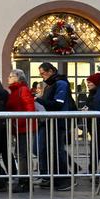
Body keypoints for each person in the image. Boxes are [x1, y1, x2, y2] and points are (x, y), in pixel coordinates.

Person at [35, 62, 74, 190]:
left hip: (58, 122)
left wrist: (38, 100)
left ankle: (64, 180)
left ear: (51, 71)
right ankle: (52, 177)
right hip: (49, 121)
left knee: (57, 150)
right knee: (45, 150)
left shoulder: (60, 83)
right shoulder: (50, 85)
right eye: (40, 74)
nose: (42, 76)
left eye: (44, 73)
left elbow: (57, 104)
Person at [6, 69, 36, 192]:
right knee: (20, 154)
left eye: (11, 76)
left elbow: (30, 108)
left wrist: (21, 122)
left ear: (18, 78)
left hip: (25, 127)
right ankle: (24, 180)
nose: (8, 78)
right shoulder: (14, 91)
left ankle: (24, 182)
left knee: (23, 154)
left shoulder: (22, 90)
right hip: (19, 127)